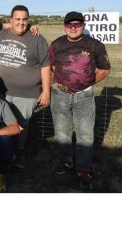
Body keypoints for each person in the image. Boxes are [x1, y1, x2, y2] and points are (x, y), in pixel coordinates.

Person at [48, 11, 111, 190]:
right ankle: (65, 160)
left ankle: (84, 168)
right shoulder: (56, 44)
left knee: (85, 134)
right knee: (61, 132)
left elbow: (105, 69)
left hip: (84, 96)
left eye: (77, 24)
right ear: (65, 26)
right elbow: (52, 66)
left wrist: (86, 82)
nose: (73, 28)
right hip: (60, 95)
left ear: (83, 25)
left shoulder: (95, 45)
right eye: (70, 24)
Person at [0, 5, 51, 169]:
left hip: (26, 93)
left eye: (25, 20)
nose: (21, 23)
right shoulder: (0, 35)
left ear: (29, 21)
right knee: (0, 122)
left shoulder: (37, 39)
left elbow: (46, 65)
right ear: (10, 21)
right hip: (0, 90)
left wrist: (46, 90)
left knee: (21, 125)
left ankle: (20, 152)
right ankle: (0, 150)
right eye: (17, 19)